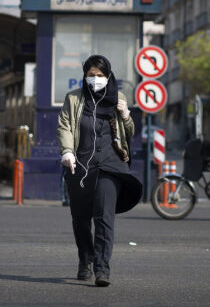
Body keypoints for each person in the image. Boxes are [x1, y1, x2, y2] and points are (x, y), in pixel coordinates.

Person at [57, 55, 142, 287]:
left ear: (109, 76)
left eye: (100, 75)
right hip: (81, 164)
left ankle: (102, 269)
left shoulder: (119, 97)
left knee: (104, 218)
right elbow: (65, 125)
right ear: (85, 75)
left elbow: (130, 131)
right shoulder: (74, 98)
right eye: (91, 75)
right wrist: (67, 151)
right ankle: (85, 260)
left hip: (111, 165)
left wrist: (125, 115)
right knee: (81, 219)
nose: (96, 79)